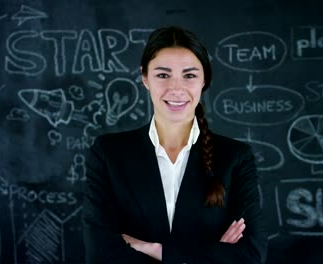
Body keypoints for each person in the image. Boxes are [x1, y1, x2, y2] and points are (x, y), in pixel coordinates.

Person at [82, 25, 268, 264]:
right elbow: (101, 256)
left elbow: (251, 255)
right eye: (163, 75)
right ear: (145, 78)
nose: (176, 88)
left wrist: (154, 249)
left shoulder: (235, 157)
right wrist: (213, 254)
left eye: (189, 75)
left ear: (205, 80)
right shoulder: (108, 153)